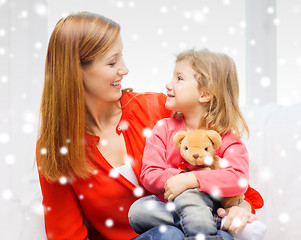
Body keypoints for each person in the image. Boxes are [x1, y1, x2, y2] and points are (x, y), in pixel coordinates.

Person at [36, 12, 263, 240]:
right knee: (168, 235)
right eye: (112, 62)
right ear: (76, 71)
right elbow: (66, 235)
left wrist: (240, 208)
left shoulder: (158, 110)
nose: (124, 69)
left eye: (121, 57)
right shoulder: (56, 149)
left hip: (194, 230)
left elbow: (230, 178)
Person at [128, 49, 265, 239]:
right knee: (139, 211)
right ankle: (212, 226)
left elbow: (238, 179)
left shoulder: (225, 137)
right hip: (172, 208)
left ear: (205, 94)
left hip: (211, 207)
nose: (168, 85)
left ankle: (203, 227)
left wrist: (193, 180)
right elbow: (149, 175)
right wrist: (181, 178)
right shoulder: (163, 128)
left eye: (179, 78)